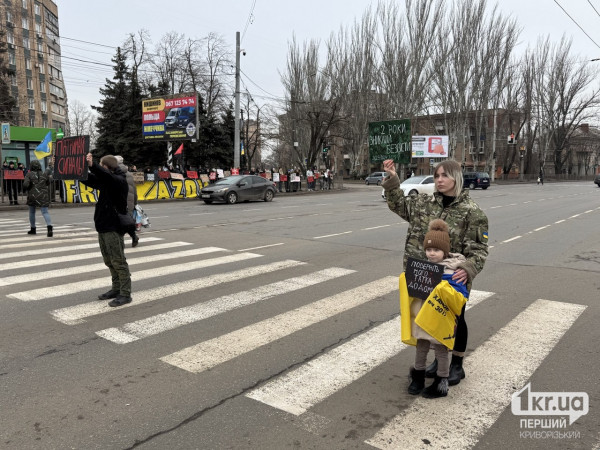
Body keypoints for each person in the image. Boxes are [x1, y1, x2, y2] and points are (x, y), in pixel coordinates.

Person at [382, 158, 488, 386]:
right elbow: (399, 204)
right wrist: (392, 179)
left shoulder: (472, 212)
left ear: (456, 178)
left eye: (445, 176)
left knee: (456, 318)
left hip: (451, 276)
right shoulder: (424, 202)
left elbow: (479, 249)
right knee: (429, 317)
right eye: (437, 175)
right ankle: (436, 361)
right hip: (423, 273)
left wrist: (469, 268)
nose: (439, 180)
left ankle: (457, 364)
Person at [406, 219, 469, 398]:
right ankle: (418, 377)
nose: (432, 253)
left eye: (436, 250)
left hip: (441, 318)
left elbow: (460, 297)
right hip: (423, 316)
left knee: (441, 350)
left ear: (445, 251)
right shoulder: (423, 268)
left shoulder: (453, 271)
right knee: (421, 345)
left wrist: (444, 287)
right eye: (428, 250)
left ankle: (441, 381)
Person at [81, 153, 132, 307]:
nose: (100, 170)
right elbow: (87, 179)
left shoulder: (119, 180)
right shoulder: (106, 180)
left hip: (113, 227)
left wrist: (93, 165)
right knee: (109, 261)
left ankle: (125, 293)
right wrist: (74, 168)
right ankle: (116, 289)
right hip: (103, 226)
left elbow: (106, 177)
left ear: (107, 167)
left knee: (118, 261)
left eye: (102, 167)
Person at [23, 159, 53, 237]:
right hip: (43, 195)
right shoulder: (44, 173)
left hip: (33, 195)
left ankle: (33, 229)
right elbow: (48, 182)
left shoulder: (29, 174)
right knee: (45, 212)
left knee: (32, 212)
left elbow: (25, 185)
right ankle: (49, 228)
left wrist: (29, 187)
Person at [115, 155, 139, 247]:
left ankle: (121, 242)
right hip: (129, 203)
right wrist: (135, 203)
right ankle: (134, 237)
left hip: (119, 201)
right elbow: (134, 190)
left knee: (119, 222)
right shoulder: (129, 173)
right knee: (126, 221)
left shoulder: (115, 173)